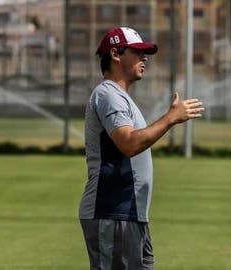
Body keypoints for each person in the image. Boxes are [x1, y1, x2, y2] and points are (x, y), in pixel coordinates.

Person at [78, 26, 204, 270]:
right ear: (115, 54)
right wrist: (170, 118)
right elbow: (128, 143)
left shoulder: (120, 96)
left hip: (130, 214)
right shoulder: (108, 94)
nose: (144, 58)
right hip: (113, 211)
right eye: (137, 52)